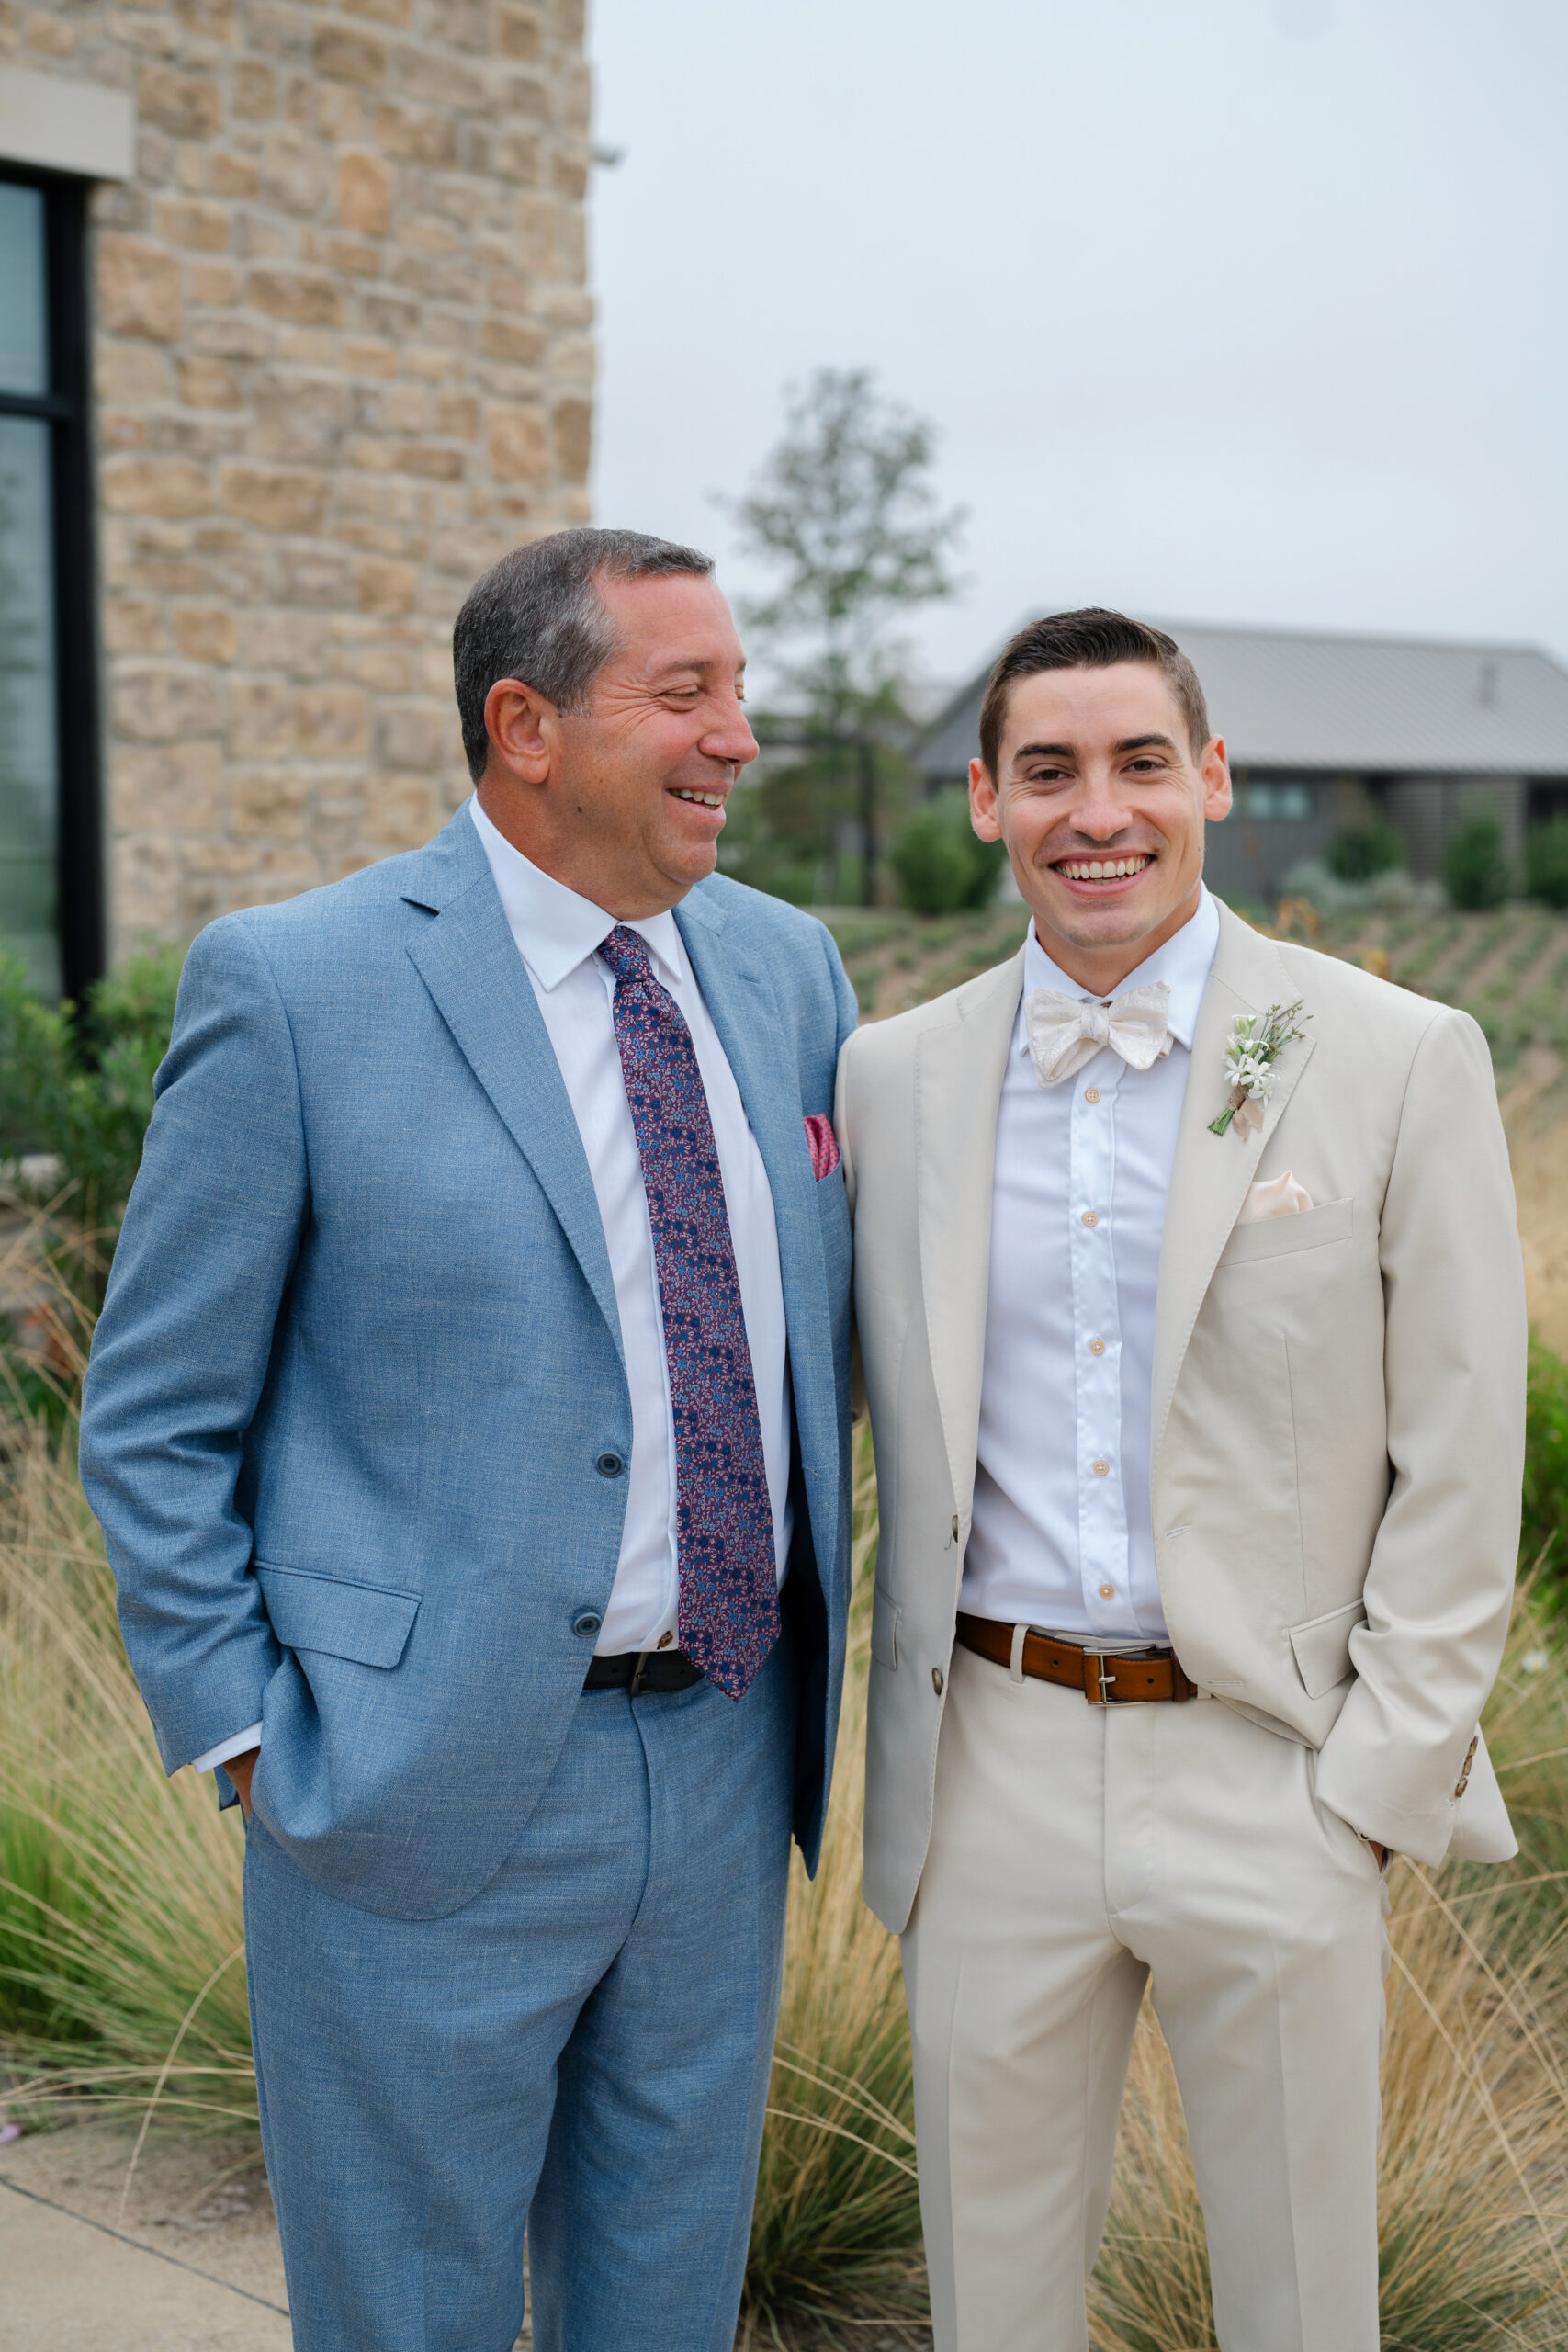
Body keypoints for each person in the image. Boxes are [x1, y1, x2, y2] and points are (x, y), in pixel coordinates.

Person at [79, 528, 857, 2352]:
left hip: (724, 1761)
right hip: (409, 1791)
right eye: (686, 693)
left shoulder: (788, 971)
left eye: (740, 690)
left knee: (665, 2309)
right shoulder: (295, 983)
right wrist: (253, 1734)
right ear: (525, 724)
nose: (738, 736)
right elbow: (157, 1410)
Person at [836, 608, 1523, 2352]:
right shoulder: (893, 1078)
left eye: (1141, 762)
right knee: (992, 2307)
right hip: (988, 1767)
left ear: (1211, 776)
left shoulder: (1396, 1053)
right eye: (1047, 771)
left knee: (1302, 2310)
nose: (1099, 812)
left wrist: (1374, 1782)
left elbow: (1462, 1452)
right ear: (985, 800)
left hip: (1275, 1766)